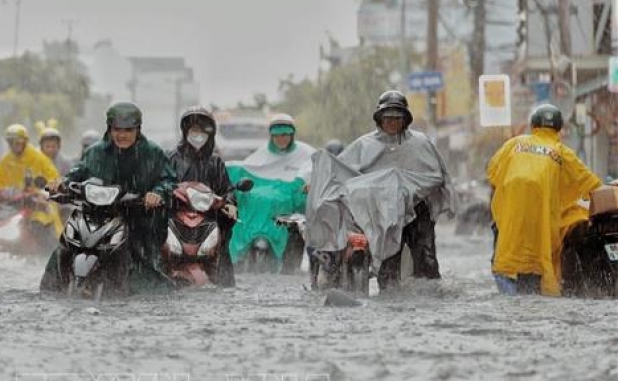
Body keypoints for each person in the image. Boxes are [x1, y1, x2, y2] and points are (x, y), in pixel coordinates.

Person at [40, 101, 178, 294]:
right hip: (93, 215)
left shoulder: (152, 153)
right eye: (117, 129)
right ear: (109, 128)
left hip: (138, 217)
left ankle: (149, 292)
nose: (122, 135)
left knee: (142, 259)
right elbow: (76, 173)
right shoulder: (95, 152)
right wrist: (61, 183)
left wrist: (157, 193)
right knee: (66, 244)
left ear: (138, 129)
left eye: (128, 130)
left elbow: (169, 179)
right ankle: (50, 290)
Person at [334, 90, 454, 291]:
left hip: (417, 210)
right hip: (383, 214)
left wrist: (406, 188)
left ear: (405, 120)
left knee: (426, 260)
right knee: (388, 262)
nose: (392, 122)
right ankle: (389, 297)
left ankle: (431, 298)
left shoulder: (420, 143)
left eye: (397, 118)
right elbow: (341, 172)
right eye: (387, 118)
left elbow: (436, 176)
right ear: (379, 119)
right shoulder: (364, 145)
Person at [488, 104, 605, 296]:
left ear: (533, 124)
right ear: (559, 128)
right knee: (535, 269)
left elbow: (492, 171)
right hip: (540, 227)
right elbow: (591, 184)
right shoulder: (561, 152)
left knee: (508, 265)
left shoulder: (514, 144)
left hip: (509, 226)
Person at [226, 113, 316, 271]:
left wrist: (301, 190)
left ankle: (289, 267)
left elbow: (312, 175)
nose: (281, 139)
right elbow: (247, 168)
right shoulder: (262, 155)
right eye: (277, 135)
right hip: (258, 216)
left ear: (292, 135)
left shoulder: (306, 153)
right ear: (271, 137)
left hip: (291, 219)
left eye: (285, 135)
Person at [167, 106, 238, 287]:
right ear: (186, 132)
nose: (198, 135)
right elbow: (161, 184)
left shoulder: (215, 162)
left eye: (203, 130)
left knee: (221, 245)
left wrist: (229, 203)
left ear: (211, 134)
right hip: (176, 219)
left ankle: (225, 284)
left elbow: (227, 189)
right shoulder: (171, 159)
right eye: (194, 130)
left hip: (208, 219)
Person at [0, 123, 63, 243]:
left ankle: (47, 249)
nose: (15, 146)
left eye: (18, 143)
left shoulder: (37, 157)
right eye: (12, 143)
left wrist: (45, 190)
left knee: (39, 223)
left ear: (24, 142)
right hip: (15, 201)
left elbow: (54, 176)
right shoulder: (7, 159)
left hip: (38, 201)